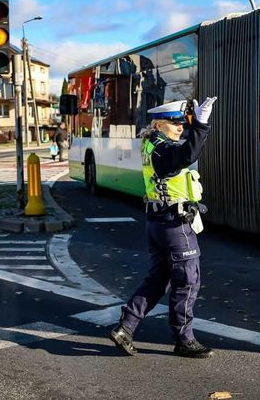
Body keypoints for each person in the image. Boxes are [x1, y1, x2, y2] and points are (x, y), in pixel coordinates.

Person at [109, 96, 218, 359]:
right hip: (174, 225)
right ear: (158, 124)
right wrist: (200, 125)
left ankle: (126, 327)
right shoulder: (160, 148)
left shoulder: (153, 144)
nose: (180, 127)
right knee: (187, 280)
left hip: (160, 221)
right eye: (174, 123)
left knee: (159, 279)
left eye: (182, 122)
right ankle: (184, 339)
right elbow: (186, 155)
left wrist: (195, 127)